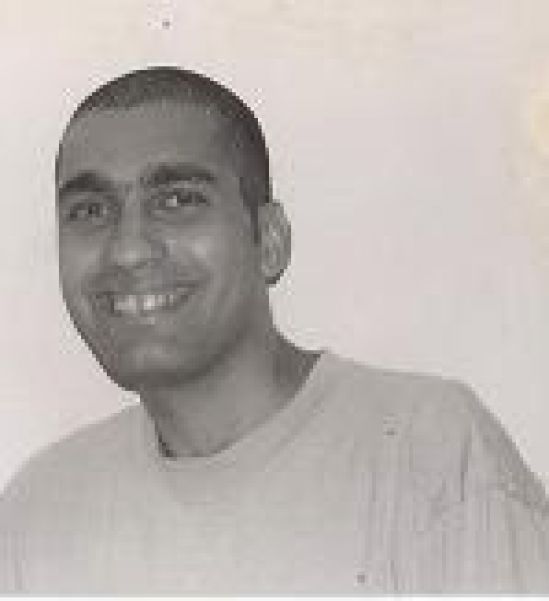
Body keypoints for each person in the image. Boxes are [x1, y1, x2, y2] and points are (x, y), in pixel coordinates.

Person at [0, 66, 548, 595]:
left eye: (177, 201)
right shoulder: (40, 513)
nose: (128, 250)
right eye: (90, 211)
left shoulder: (431, 456)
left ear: (270, 241)